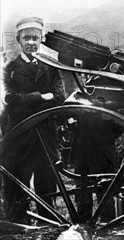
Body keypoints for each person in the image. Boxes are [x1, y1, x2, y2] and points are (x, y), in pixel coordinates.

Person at [2, 16, 66, 223]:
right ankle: (18, 228)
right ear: (19, 40)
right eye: (26, 38)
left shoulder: (51, 67)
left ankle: (50, 226)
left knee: (47, 186)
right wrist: (40, 97)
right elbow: (9, 100)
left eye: (35, 38)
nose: (31, 42)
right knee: (16, 188)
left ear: (40, 40)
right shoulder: (8, 69)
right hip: (18, 137)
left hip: (46, 138)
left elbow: (59, 99)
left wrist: (26, 102)